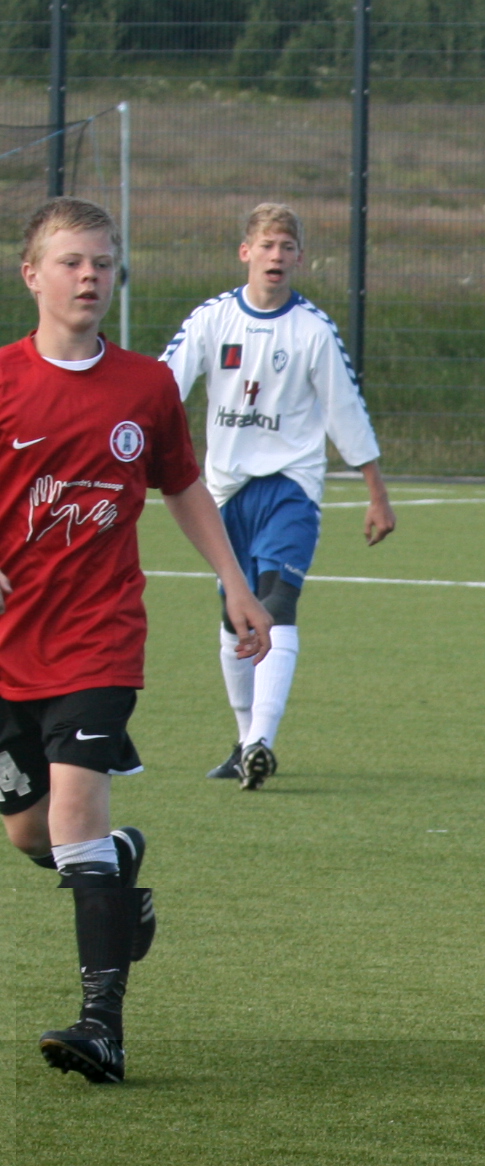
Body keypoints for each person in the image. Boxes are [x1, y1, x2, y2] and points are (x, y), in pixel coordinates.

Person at [3, 198, 273, 1082]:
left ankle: (102, 1029)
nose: (90, 277)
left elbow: (183, 485)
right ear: (32, 275)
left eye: (104, 262)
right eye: (72, 262)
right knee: (31, 834)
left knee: (75, 813)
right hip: (8, 648)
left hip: (99, 639)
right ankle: (119, 869)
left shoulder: (146, 387)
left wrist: (236, 584)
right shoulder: (3, 380)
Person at [160, 200, 392, 789]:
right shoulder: (212, 319)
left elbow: (345, 407)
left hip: (291, 485)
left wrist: (376, 492)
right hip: (225, 489)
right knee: (234, 612)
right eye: (266, 245)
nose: (276, 255)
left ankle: (262, 738)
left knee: (276, 601)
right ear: (245, 253)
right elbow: (162, 387)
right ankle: (244, 743)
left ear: (300, 259)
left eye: (287, 247)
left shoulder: (312, 329)